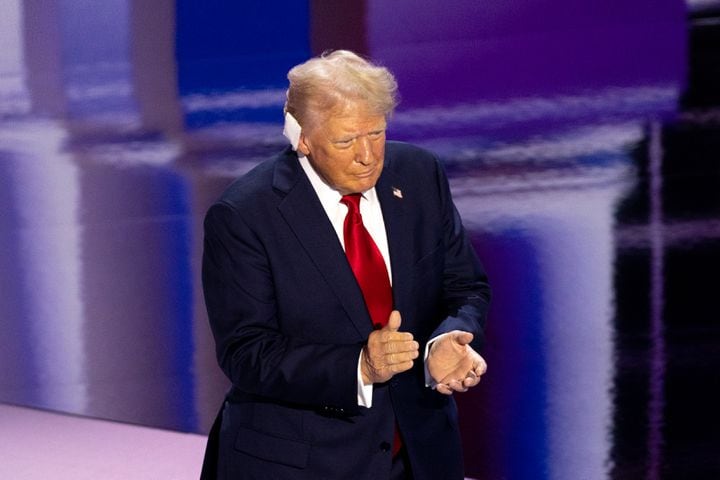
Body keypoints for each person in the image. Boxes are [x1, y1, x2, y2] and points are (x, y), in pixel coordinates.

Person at [200, 50, 491, 480]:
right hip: (303, 462)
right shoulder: (245, 215)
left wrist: (444, 341)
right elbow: (246, 352)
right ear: (301, 138)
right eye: (345, 141)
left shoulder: (419, 174)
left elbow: (465, 284)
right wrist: (360, 366)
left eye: (376, 133)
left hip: (420, 455)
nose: (368, 155)